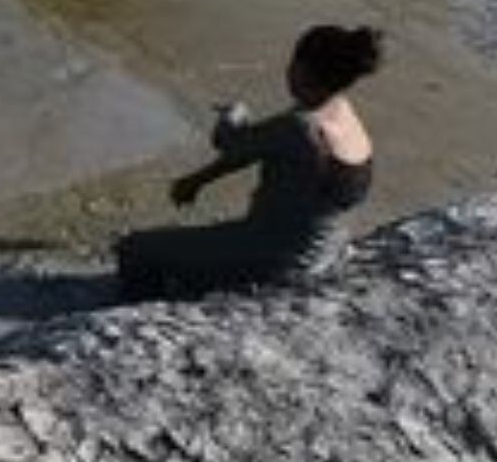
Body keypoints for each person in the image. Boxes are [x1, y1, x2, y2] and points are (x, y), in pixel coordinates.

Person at [116, 25, 383, 301]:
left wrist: (234, 113)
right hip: (326, 247)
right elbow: (252, 151)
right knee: (193, 244)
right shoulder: (340, 111)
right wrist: (197, 181)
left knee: (133, 249)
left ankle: (137, 309)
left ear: (300, 68)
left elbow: (228, 142)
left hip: (278, 258)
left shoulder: (298, 127)